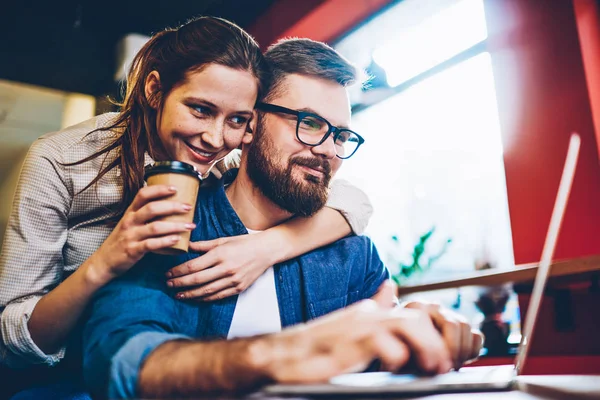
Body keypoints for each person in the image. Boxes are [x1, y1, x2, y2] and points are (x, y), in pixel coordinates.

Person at [82, 37, 483, 399]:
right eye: (308, 123)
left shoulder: (353, 255)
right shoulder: (170, 224)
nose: (329, 149)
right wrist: (284, 353)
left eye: (341, 136)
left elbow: (381, 355)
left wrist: (420, 334)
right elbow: (117, 360)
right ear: (251, 125)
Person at [0, 16, 372, 398]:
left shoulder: (221, 165)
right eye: (200, 109)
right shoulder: (62, 160)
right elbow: (14, 333)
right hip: (56, 375)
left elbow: (354, 201)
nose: (214, 138)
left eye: (237, 119)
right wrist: (107, 261)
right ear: (155, 90)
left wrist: (267, 247)